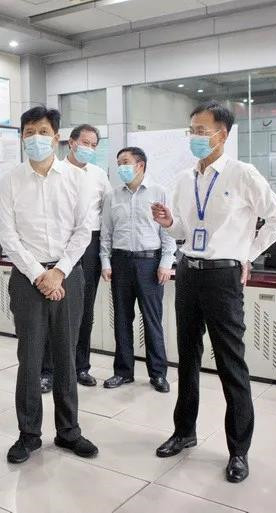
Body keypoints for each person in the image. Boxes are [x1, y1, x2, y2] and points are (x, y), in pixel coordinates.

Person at [151, 101, 276, 483]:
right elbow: (184, 231)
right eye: (191, 131)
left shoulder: (242, 174)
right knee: (188, 358)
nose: (195, 138)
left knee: (231, 363)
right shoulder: (185, 179)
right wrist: (169, 222)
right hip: (188, 273)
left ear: (222, 134)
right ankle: (184, 431)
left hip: (223, 277)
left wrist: (247, 254)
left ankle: (238, 450)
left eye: (201, 131)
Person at [0, 106, 98, 464]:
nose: (35, 138)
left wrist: (59, 272)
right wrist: (39, 274)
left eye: (42, 131)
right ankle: (29, 434)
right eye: (29, 132)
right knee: (29, 358)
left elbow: (83, 231)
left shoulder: (77, 179)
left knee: (66, 356)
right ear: (22, 137)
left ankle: (69, 431)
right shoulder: (10, 180)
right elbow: (8, 237)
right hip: (28, 279)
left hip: (68, 275)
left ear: (56, 137)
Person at [40, 124, 111, 393]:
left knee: (84, 310)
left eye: (94, 145)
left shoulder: (99, 175)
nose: (89, 148)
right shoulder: (54, 170)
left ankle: (81, 366)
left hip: (89, 244)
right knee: (53, 309)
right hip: (59, 243)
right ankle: (48, 371)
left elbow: (106, 213)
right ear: (71, 143)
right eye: (85, 143)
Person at [100, 146, 175, 393]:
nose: (121, 167)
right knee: (122, 319)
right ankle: (123, 372)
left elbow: (168, 230)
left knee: (152, 319)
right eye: (119, 163)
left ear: (140, 165)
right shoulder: (112, 196)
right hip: (120, 262)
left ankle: (158, 374)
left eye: (125, 162)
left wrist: (166, 263)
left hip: (149, 263)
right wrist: (106, 262)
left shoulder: (159, 192)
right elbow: (106, 232)